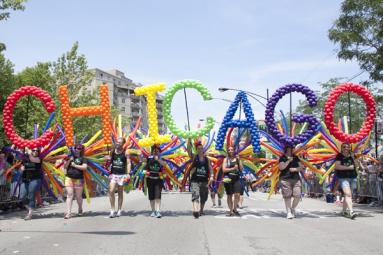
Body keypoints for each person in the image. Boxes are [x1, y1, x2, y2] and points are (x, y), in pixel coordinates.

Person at [188, 141, 213, 218]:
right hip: (195, 180)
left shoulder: (207, 159)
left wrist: (212, 175)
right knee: (195, 195)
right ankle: (196, 211)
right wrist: (189, 142)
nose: (200, 150)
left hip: (204, 181)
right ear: (196, 149)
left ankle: (201, 210)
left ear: (203, 149)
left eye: (201, 148)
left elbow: (210, 168)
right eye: (198, 149)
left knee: (204, 197)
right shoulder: (194, 157)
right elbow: (189, 151)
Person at [278, 146, 304, 219]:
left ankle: (293, 208)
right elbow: (281, 167)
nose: (290, 150)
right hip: (285, 179)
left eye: (291, 149)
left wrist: (295, 169)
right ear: (286, 149)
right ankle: (288, 212)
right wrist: (288, 161)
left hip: (296, 179)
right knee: (287, 196)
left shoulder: (295, 157)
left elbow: (301, 167)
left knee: (298, 195)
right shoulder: (282, 157)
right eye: (288, 149)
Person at [108, 137, 131, 218]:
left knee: (120, 192)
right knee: (111, 191)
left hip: (122, 175)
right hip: (113, 174)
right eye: (117, 142)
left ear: (123, 144)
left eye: (119, 142)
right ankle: (112, 210)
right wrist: (107, 159)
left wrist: (128, 173)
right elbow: (110, 160)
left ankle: (119, 210)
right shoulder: (112, 151)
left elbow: (128, 163)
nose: (117, 143)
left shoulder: (126, 152)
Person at [334, 143, 358, 219]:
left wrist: (354, 158)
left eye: (348, 147)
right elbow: (337, 166)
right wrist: (348, 167)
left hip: (353, 177)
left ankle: (344, 211)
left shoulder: (352, 156)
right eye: (344, 147)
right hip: (343, 178)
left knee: (347, 195)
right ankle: (351, 211)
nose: (346, 148)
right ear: (342, 148)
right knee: (348, 194)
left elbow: (356, 165)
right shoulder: (339, 156)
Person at [63, 144, 87, 219]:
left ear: (81, 150)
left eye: (79, 149)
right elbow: (65, 167)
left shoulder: (83, 158)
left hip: (78, 179)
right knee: (69, 195)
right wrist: (69, 160)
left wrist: (74, 165)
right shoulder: (69, 157)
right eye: (76, 148)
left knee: (78, 196)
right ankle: (68, 213)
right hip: (69, 178)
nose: (77, 150)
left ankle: (80, 208)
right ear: (74, 149)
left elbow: (84, 167)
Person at [19, 148, 42, 220]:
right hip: (25, 180)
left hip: (35, 180)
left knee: (31, 195)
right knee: (22, 197)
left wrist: (29, 153)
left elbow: (33, 160)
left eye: (37, 151)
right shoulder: (25, 159)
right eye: (33, 150)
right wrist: (21, 169)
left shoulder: (39, 159)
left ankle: (30, 214)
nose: (35, 151)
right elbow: (21, 168)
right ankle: (30, 208)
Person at [143, 145, 166, 218]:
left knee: (158, 195)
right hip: (150, 179)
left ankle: (158, 211)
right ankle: (153, 211)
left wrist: (158, 159)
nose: (156, 153)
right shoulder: (149, 158)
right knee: (151, 196)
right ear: (152, 152)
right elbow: (143, 161)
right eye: (154, 151)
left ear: (159, 152)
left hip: (158, 179)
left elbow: (164, 164)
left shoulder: (161, 158)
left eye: (157, 151)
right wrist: (139, 154)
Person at [222, 146, 243, 216]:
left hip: (236, 178)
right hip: (228, 179)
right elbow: (224, 170)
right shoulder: (226, 159)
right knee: (229, 195)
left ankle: (235, 208)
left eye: (232, 150)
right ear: (227, 151)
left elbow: (241, 169)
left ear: (234, 151)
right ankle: (231, 211)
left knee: (237, 194)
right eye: (229, 150)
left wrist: (239, 160)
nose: (230, 151)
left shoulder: (237, 159)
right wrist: (233, 168)